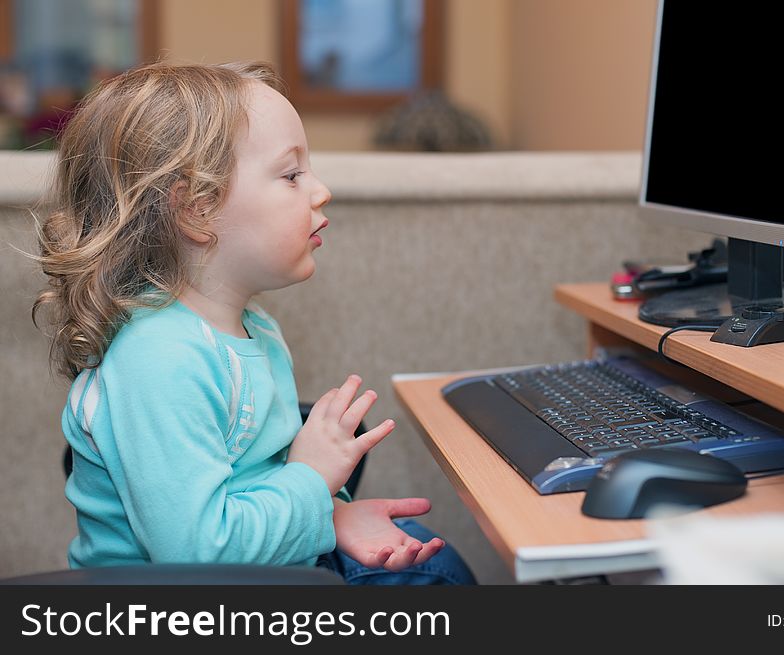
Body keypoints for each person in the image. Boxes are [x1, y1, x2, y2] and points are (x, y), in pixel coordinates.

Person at [32, 61, 475, 585]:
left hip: (260, 567)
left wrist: (331, 512)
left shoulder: (255, 329)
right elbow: (197, 555)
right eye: (292, 175)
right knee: (437, 581)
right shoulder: (160, 358)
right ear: (197, 209)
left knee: (435, 561)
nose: (320, 190)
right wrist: (312, 479)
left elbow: (257, 481)